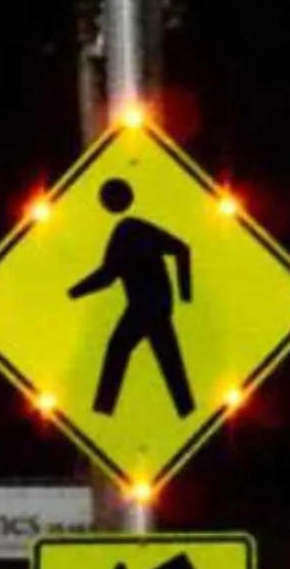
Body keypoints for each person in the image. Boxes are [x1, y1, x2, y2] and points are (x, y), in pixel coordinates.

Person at [67, 177, 196, 418]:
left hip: (144, 307)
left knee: (120, 350)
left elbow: (108, 275)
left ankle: (103, 411)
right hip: (155, 305)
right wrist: (182, 296)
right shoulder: (133, 228)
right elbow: (181, 249)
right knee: (166, 358)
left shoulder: (128, 231)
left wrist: (73, 293)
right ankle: (186, 410)